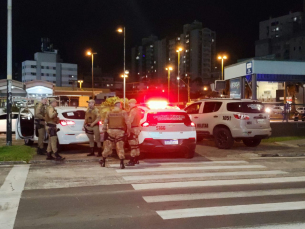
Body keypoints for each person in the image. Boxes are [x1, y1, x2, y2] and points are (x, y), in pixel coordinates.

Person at [99, 100, 131, 169]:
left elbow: (105, 123)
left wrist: (104, 131)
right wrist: (128, 131)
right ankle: (122, 163)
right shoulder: (123, 112)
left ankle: (103, 161)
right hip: (120, 132)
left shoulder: (109, 112)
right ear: (120, 105)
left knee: (108, 147)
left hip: (110, 132)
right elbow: (128, 122)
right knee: (120, 147)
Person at [126, 99, 142, 166]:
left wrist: (128, 130)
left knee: (133, 146)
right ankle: (136, 159)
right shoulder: (138, 110)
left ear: (133, 103)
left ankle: (132, 160)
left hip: (133, 129)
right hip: (137, 129)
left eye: (130, 103)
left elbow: (129, 121)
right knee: (136, 145)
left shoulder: (133, 111)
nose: (129, 104)